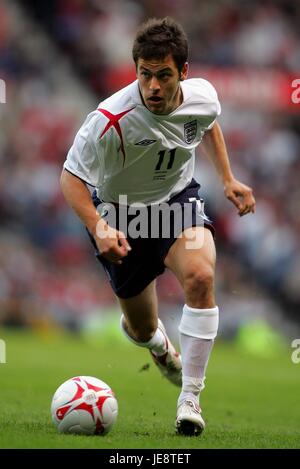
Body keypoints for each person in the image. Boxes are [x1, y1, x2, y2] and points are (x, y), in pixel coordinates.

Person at [60, 17, 256, 436]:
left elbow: (207, 123)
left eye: (163, 75)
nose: (152, 86)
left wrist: (227, 178)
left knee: (201, 276)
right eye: (145, 75)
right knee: (140, 327)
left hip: (176, 203)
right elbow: (70, 178)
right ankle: (157, 345)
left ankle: (190, 398)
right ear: (136, 71)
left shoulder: (203, 96)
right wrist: (97, 226)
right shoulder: (110, 119)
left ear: (182, 72)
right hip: (121, 216)